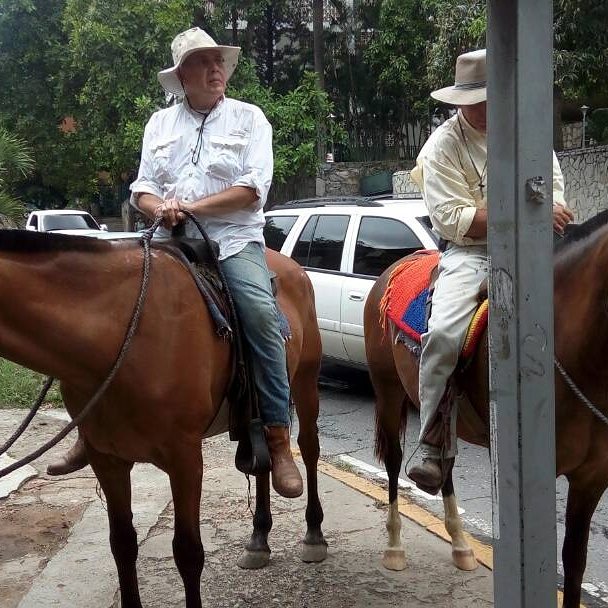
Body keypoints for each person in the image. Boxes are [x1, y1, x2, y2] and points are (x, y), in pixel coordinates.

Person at [47, 27, 303, 499]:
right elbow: (141, 187)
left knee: (264, 317)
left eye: (218, 62)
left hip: (230, 240)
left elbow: (251, 191)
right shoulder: (159, 125)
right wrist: (157, 208)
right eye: (202, 63)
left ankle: (277, 435)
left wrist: (190, 207)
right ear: (181, 76)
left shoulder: (250, 119)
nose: (215, 70)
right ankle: (89, 429)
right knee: (98, 313)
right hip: (165, 241)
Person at [406, 48, 574, 494]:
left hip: (535, 248)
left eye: (486, 97)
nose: (479, 108)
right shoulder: (442, 147)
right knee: (442, 333)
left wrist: (548, 209)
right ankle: (434, 443)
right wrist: (528, 210)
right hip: (471, 253)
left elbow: (554, 191)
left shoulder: (529, 132)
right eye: (471, 100)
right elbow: (454, 219)